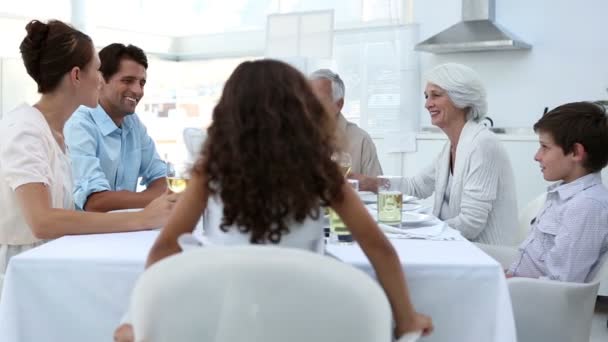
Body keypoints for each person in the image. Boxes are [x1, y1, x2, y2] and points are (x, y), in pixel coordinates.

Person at [114, 59, 433, 341]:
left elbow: (165, 247)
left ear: (228, 112)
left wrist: (134, 318)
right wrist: (407, 318)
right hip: (305, 312)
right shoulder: (322, 171)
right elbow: (378, 247)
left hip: (231, 315)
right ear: (301, 111)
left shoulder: (210, 171)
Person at [0, 20, 176, 285]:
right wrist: (141, 217)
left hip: (49, 261)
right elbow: (42, 221)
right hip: (18, 272)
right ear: (76, 76)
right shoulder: (24, 130)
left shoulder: (55, 131)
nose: (101, 79)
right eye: (97, 70)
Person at [356, 63, 518, 245]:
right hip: (457, 243)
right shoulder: (451, 146)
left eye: (436, 95)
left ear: (461, 98)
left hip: (485, 252)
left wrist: (420, 230)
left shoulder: (482, 144)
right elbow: (416, 186)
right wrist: (369, 183)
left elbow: (471, 224)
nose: (427, 104)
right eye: (426, 96)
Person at [507, 102, 608, 282]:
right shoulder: (562, 195)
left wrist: (508, 283)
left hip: (531, 300)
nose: (537, 156)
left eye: (545, 147)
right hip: (518, 287)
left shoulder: (586, 206)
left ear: (576, 152)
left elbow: (560, 283)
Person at [65, 43, 166, 212]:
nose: (137, 90)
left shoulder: (133, 123)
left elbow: (162, 179)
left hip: (122, 231)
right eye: (127, 81)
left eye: (142, 83)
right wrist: (155, 198)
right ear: (100, 80)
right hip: (82, 236)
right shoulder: (79, 124)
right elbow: (94, 202)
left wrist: (151, 196)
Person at [309, 69, 383, 177]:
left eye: (318, 101)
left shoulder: (360, 141)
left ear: (338, 105)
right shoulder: (294, 138)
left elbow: (378, 189)